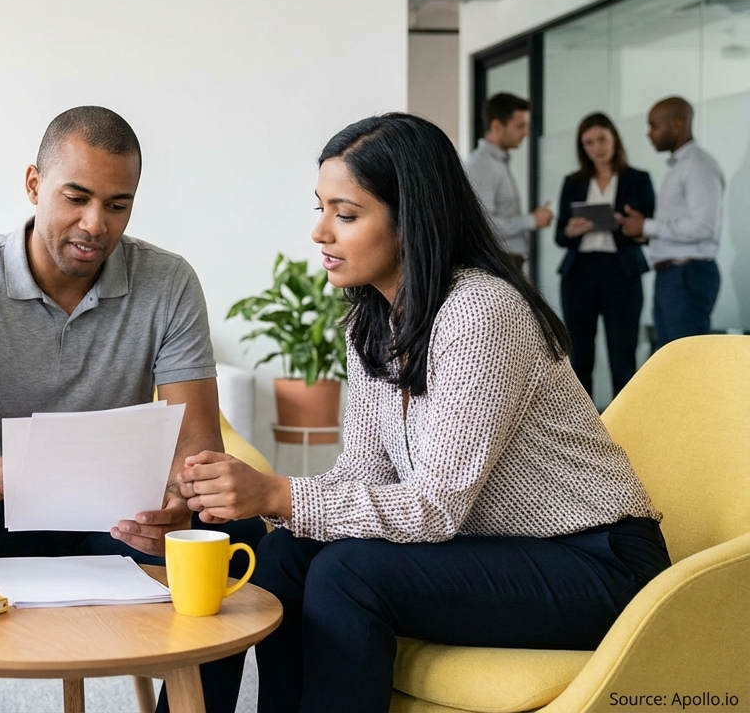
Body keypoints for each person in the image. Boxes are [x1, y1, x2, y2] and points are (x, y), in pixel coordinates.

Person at [180, 113, 669, 713]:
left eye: (346, 214)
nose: (319, 233)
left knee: (348, 574)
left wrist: (280, 494)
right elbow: (365, 471)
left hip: (599, 563)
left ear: (410, 222)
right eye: (320, 208)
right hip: (497, 546)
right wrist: (269, 514)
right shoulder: (374, 321)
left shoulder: (480, 311)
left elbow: (435, 505)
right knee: (283, 556)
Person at [0, 106, 265, 713]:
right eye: (77, 197)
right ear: (34, 184)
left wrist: (176, 500)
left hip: (117, 514)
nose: (96, 224)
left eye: (118, 205)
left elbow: (196, 445)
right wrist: (16, 475)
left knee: (227, 534)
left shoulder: (168, 282)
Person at [554, 112, 656, 398]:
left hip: (621, 270)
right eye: (588, 142)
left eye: (602, 139)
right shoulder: (572, 182)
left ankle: (625, 427)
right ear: (582, 148)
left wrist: (622, 223)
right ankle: (581, 425)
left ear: (614, 139)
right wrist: (571, 230)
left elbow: (646, 230)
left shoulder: (637, 179)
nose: (597, 147)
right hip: (579, 273)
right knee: (579, 356)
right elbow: (560, 235)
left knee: (623, 354)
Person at [617, 96, 725, 348]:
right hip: (673, 276)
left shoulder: (697, 165)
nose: (649, 133)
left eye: (654, 125)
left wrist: (647, 227)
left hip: (687, 274)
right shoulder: (679, 167)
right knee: (671, 362)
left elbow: (703, 227)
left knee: (686, 363)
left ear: (677, 124)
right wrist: (645, 228)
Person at [465, 92, 553, 271]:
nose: (526, 133)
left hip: (507, 263)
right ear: (497, 126)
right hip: (498, 265)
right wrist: (532, 220)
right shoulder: (482, 164)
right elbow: (485, 224)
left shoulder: (497, 162)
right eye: (520, 126)